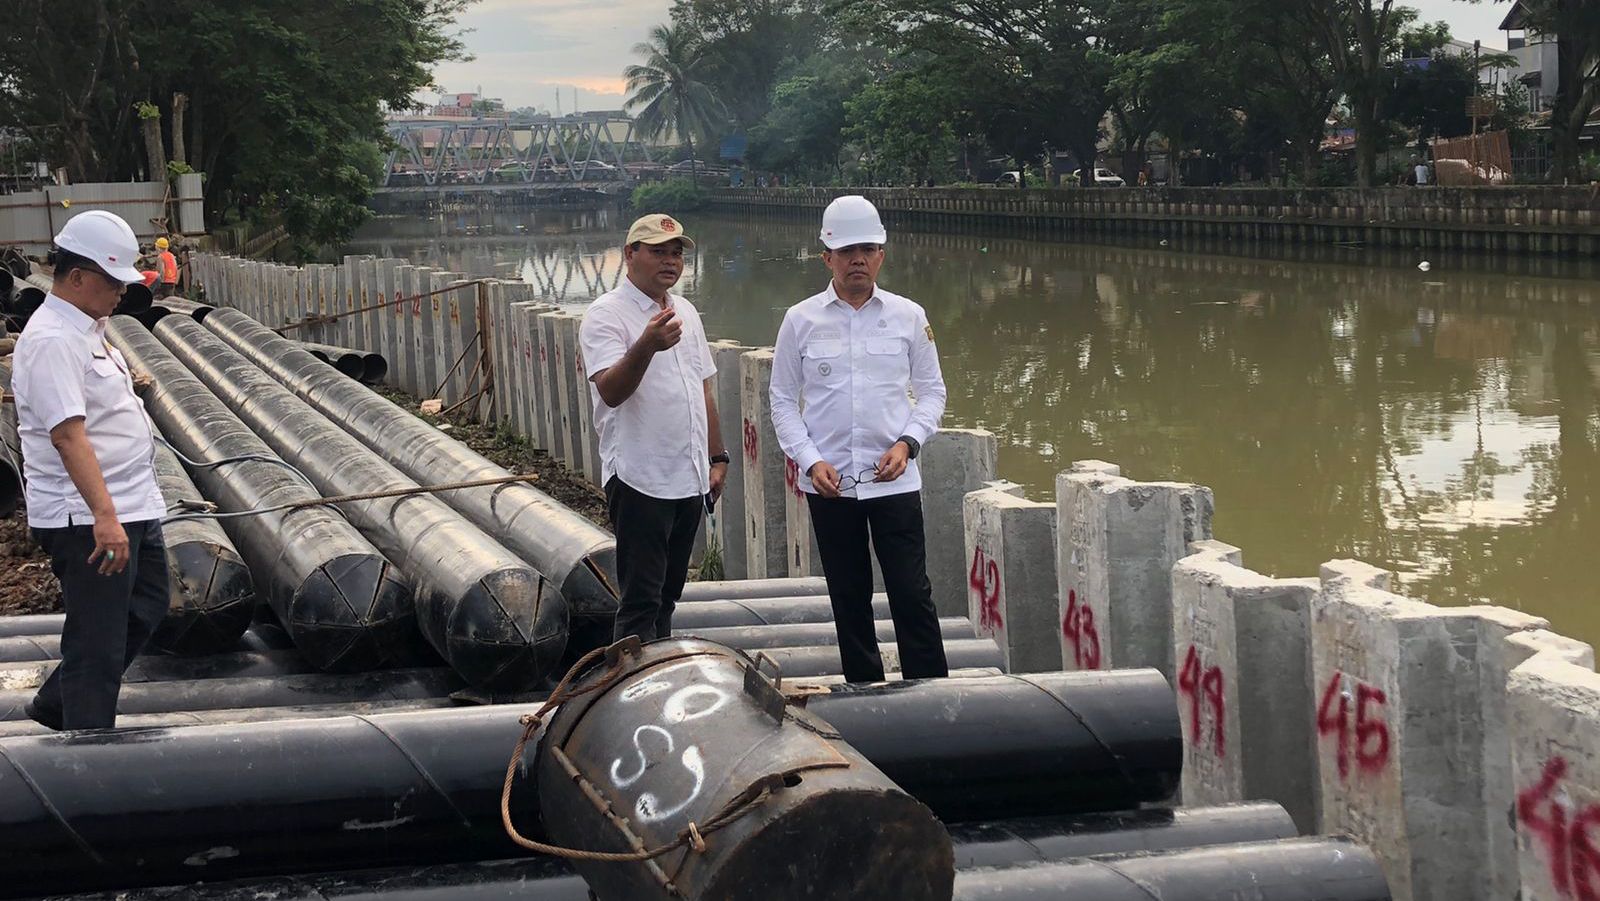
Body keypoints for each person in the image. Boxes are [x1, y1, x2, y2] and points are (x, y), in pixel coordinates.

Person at [769, 195, 950, 684]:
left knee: (912, 593)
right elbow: (782, 401)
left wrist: (908, 443)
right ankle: (865, 693)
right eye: (847, 251)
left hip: (895, 480)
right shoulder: (800, 320)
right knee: (849, 597)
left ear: (881, 256)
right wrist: (810, 461)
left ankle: (932, 696)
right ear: (826, 257)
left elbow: (933, 392)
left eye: (867, 250)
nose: (858, 260)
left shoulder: (909, 316)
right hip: (830, 485)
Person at [12, 210, 170, 730]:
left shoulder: (88, 329)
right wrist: (104, 516)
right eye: (114, 281)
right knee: (97, 643)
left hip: (131, 503)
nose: (122, 292)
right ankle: (86, 749)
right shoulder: (53, 340)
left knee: (147, 604)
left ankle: (57, 705)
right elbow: (67, 436)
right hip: (88, 517)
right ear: (77, 277)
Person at [579, 213, 727, 643]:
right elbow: (610, 391)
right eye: (658, 251)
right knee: (640, 600)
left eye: (676, 253)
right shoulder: (606, 314)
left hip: (689, 476)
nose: (670, 261)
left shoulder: (686, 311)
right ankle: (630, 676)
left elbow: (702, 389)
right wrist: (645, 345)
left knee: (667, 596)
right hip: (640, 478)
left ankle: (660, 666)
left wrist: (717, 457)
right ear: (630, 254)